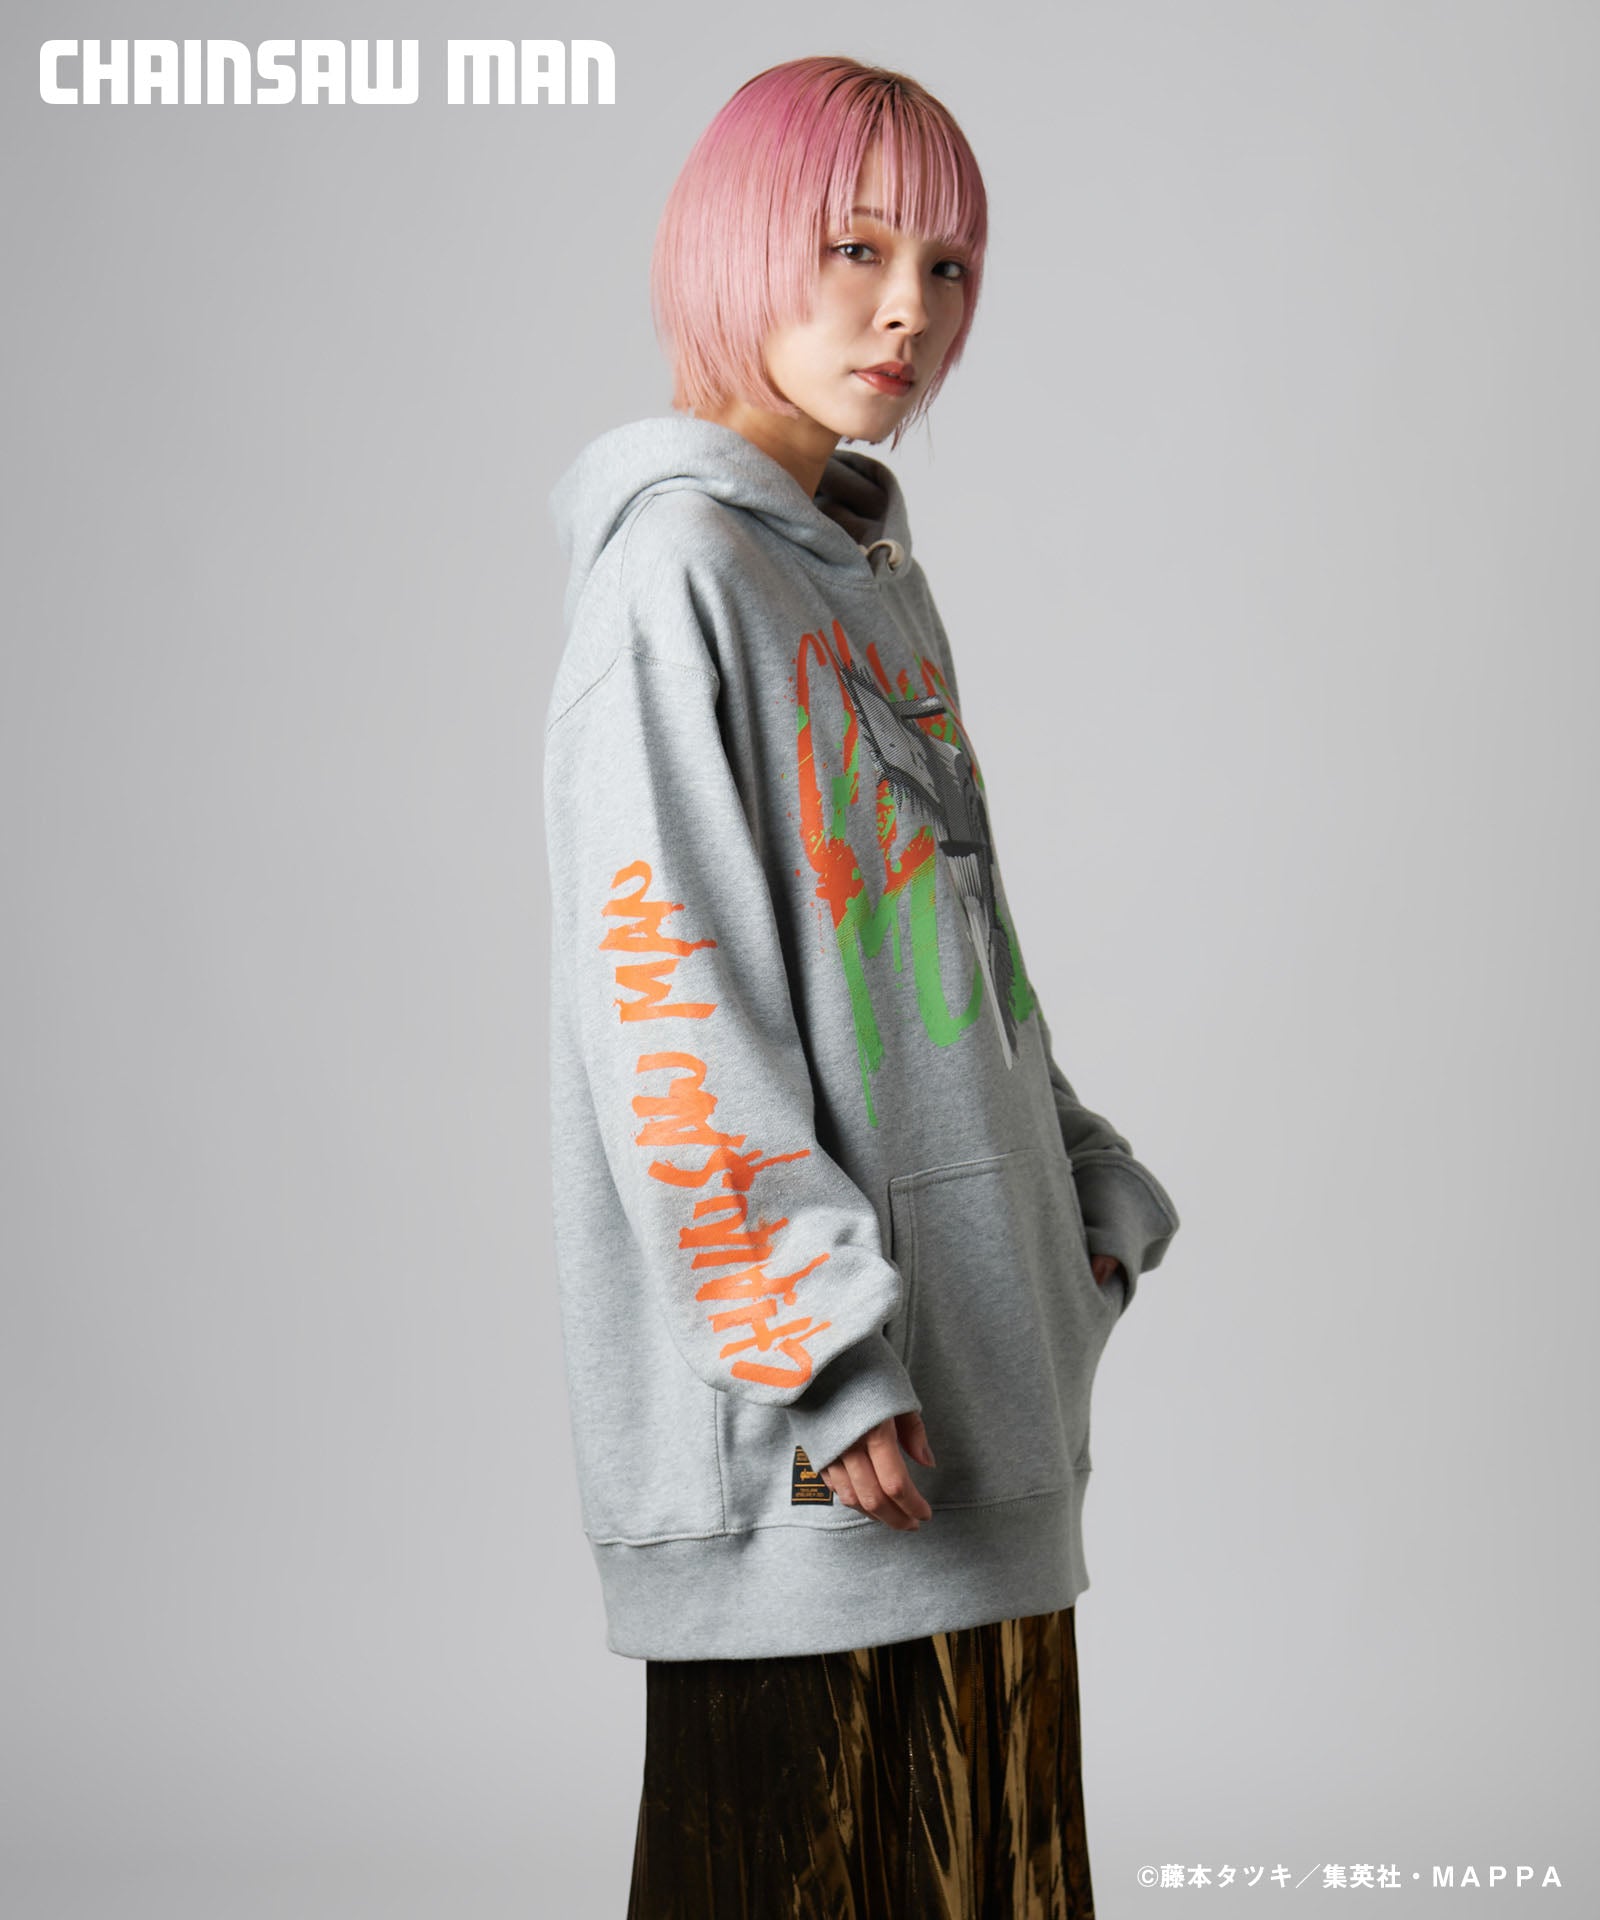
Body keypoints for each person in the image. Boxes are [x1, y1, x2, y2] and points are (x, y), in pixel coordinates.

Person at [542, 54, 1182, 1917]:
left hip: (987, 1409)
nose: (909, 308)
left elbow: (950, 954)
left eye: (948, 267)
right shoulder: (674, 577)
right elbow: (668, 1004)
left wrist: (1079, 1190)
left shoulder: (874, 577)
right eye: (855, 248)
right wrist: (815, 1343)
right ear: (737, 245)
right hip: (824, 1456)